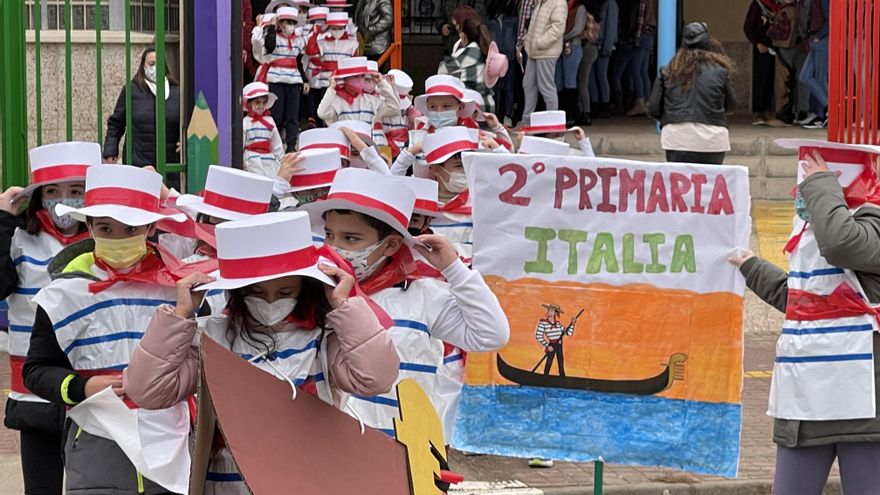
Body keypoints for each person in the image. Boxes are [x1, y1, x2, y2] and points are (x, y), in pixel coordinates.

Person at [123, 210, 399, 493]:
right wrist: (180, 315)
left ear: (306, 289)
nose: (269, 302)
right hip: (229, 485)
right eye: (256, 292)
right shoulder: (213, 337)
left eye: (284, 292)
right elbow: (148, 391)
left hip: (311, 483)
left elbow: (376, 378)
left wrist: (344, 306)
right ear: (238, 293)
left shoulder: (324, 337)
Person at [303, 167, 509, 440]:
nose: (334, 247)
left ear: (390, 245)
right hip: (332, 451)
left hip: (407, 456)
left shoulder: (423, 295)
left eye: (351, 238)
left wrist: (454, 269)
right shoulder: (311, 292)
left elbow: (490, 335)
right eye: (329, 235)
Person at [21, 164, 189, 494]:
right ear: (89, 225)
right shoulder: (63, 294)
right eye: (106, 228)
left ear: (152, 226)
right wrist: (81, 387)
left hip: (170, 445)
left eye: (130, 228)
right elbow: (36, 370)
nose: (118, 238)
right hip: (96, 443)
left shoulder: (176, 288)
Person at [729, 145, 880, 495]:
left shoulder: (864, 225)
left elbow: (842, 243)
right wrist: (752, 267)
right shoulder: (811, 231)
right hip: (805, 401)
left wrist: (821, 185)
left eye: (810, 172)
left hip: (864, 412)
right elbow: (805, 301)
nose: (801, 183)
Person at [0, 142, 100, 495]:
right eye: (54, 191)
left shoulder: (109, 237)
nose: (65, 200)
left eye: (76, 191)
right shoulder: (19, 239)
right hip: (35, 395)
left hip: (96, 393)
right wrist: (2, 220)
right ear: (39, 195)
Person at [647, 22, 736, 165]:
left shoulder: (666, 72)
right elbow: (732, 106)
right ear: (708, 44)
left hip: (676, 139)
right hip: (713, 139)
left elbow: (653, 109)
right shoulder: (720, 72)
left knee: (679, 187)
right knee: (710, 185)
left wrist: (673, 116)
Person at [103, 47, 181, 183]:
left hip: (168, 165)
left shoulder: (176, 92)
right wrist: (110, 150)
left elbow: (186, 123)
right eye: (151, 64)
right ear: (143, 66)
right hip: (138, 163)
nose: (155, 68)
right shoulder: (132, 90)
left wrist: (184, 141)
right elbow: (116, 123)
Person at [252, 7, 309, 152]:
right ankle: (273, 143)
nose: (289, 25)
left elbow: (298, 61)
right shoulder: (273, 36)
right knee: (276, 114)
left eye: (292, 22)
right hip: (277, 79)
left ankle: (291, 145)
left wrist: (305, 80)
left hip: (294, 80)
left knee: (293, 115)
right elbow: (269, 46)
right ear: (279, 23)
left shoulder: (298, 40)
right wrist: (271, 27)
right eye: (286, 22)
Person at [317, 56, 401, 126]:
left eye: (362, 76)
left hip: (367, 144)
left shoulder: (371, 101)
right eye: (356, 77)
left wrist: (381, 82)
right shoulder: (336, 101)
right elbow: (322, 113)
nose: (361, 80)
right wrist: (331, 88)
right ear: (345, 79)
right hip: (345, 143)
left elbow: (395, 108)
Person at [520, 0, 568, 120]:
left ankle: (553, 124)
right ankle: (526, 121)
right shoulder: (542, 2)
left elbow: (557, 28)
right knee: (528, 84)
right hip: (534, 51)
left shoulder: (558, 3)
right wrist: (528, 42)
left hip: (546, 52)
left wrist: (539, 42)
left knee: (546, 88)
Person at [438, 17, 497, 114]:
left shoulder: (471, 51)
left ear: (464, 35)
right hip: (488, 105)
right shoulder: (486, 50)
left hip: (473, 108)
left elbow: (442, 71)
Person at [744, 0, 785, 127]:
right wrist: (757, 44)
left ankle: (767, 109)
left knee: (770, 78)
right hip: (761, 47)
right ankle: (758, 111)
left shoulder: (778, 6)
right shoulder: (757, 5)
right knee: (760, 78)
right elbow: (748, 28)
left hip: (776, 47)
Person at [242, 82, 285, 178]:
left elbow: (276, 144)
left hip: (269, 159)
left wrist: (282, 161)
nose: (261, 106)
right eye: (257, 102)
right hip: (251, 159)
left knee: (271, 182)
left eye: (264, 102)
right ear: (249, 103)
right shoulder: (245, 122)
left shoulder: (270, 121)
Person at [556, 0, 587, 126]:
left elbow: (578, 29)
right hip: (562, 46)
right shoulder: (563, 6)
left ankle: (571, 114)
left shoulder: (580, 8)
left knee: (570, 80)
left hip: (573, 45)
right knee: (560, 81)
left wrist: (562, 37)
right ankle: (563, 113)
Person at [799, 0, 829, 129]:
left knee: (820, 78)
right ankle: (827, 110)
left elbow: (831, 19)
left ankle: (829, 112)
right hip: (814, 39)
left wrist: (820, 36)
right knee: (805, 76)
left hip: (822, 40)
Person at [623, 0, 656, 116]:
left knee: (635, 70)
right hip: (649, 37)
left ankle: (640, 101)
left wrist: (636, 40)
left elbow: (640, 21)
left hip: (641, 37)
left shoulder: (642, 1)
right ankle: (647, 102)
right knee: (643, 71)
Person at [587, 0, 618, 119]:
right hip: (596, 44)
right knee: (592, 76)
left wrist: (607, 48)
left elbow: (611, 26)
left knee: (601, 75)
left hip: (604, 45)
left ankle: (605, 104)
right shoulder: (602, 4)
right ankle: (596, 103)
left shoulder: (610, 4)